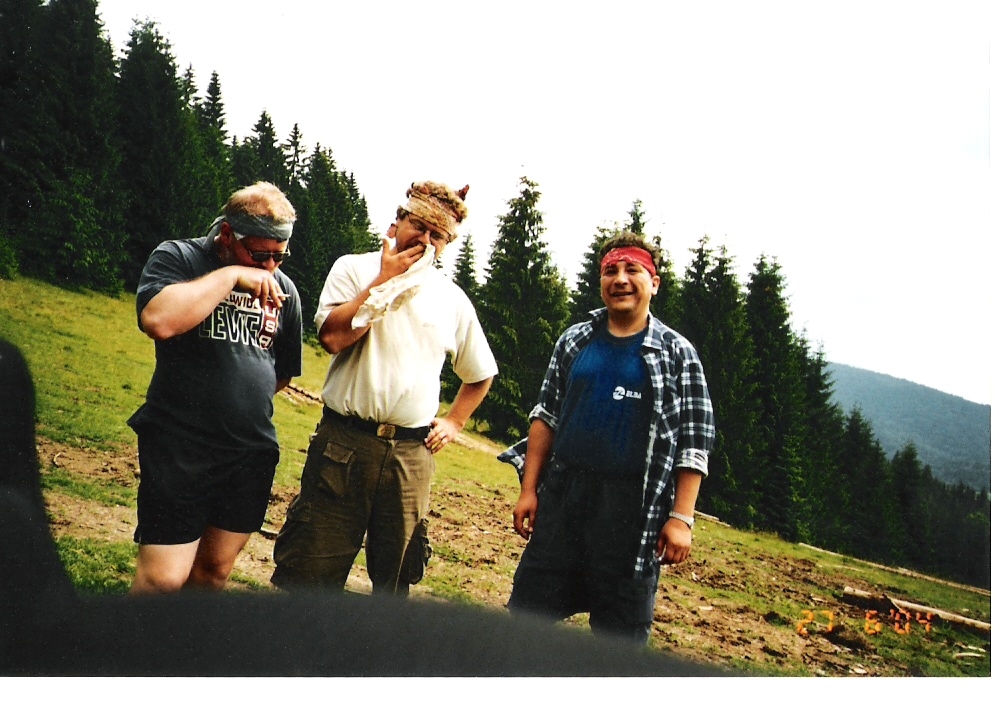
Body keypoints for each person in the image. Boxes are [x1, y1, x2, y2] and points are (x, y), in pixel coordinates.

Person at [271, 180, 497, 596]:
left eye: (437, 235)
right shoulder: (353, 268)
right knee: (310, 570)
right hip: (344, 445)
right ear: (398, 220)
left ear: (446, 244)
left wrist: (454, 422)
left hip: (410, 456)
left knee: (395, 581)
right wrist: (384, 281)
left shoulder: (451, 299)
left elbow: (481, 373)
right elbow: (332, 338)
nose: (424, 240)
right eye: (418, 226)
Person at [499, 231, 715, 645]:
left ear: (654, 282)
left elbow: (695, 440)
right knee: (527, 617)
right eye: (610, 271)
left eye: (633, 270)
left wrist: (681, 518)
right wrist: (528, 490)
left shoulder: (677, 353)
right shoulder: (575, 340)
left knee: (620, 640)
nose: (620, 280)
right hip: (564, 498)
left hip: (632, 511)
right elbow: (545, 417)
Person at [127, 181, 303, 594]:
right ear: (227, 234)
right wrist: (231, 275)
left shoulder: (284, 290)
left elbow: (281, 374)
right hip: (180, 443)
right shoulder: (179, 257)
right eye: (259, 255)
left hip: (249, 450)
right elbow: (158, 320)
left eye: (279, 256)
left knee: (213, 573)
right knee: (163, 578)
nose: (270, 267)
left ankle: (188, 640)